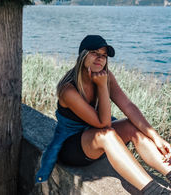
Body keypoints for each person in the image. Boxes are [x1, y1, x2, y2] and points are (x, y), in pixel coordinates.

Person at [36, 35, 171, 194]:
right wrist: (102, 86)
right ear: (82, 55)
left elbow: (128, 106)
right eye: (94, 53)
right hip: (72, 148)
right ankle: (155, 191)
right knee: (107, 135)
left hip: (95, 140)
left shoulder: (106, 76)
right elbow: (104, 125)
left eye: (104, 56)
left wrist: (157, 138)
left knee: (129, 125)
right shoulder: (68, 90)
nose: (100, 58)